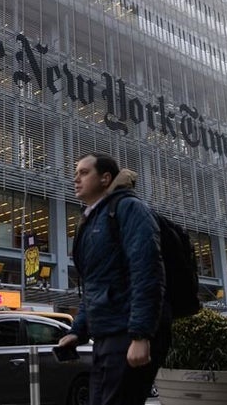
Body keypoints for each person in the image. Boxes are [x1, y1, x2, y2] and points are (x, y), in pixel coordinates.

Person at [58, 152, 169, 405]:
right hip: (106, 335)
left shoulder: (128, 208)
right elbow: (94, 284)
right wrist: (78, 330)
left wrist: (140, 335)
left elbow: (147, 271)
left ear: (105, 178)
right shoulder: (92, 219)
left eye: (84, 173)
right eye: (75, 173)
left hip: (127, 333)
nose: (76, 179)